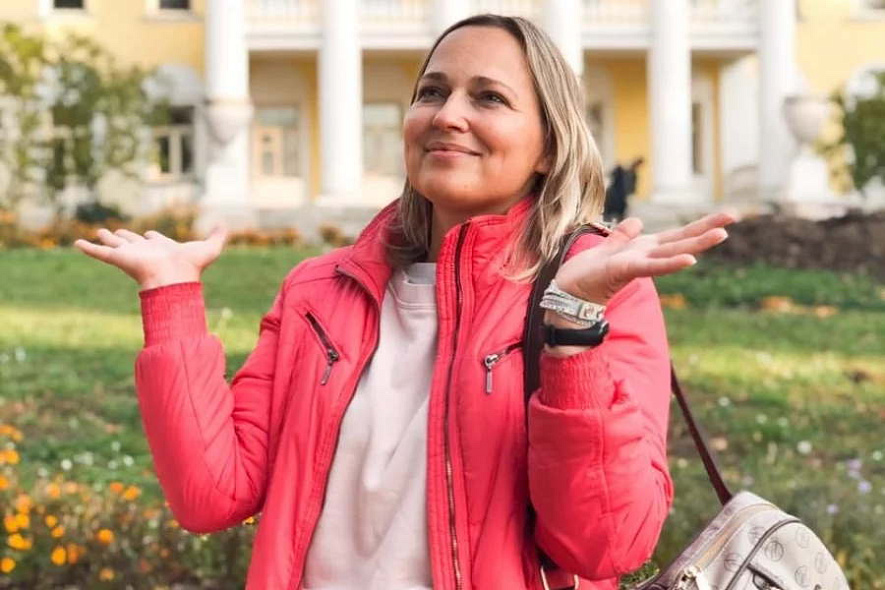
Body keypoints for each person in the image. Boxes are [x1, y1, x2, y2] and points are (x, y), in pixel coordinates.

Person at [74, 14, 734, 590]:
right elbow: (211, 495)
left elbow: (605, 544)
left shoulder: (595, 288)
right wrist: (171, 299)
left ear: (548, 146)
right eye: (431, 92)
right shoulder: (316, 292)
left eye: (489, 97)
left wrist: (572, 327)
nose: (447, 115)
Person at [603, 157, 644, 222]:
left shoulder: (632, 174)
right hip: (614, 197)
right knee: (610, 216)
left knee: (619, 217)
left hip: (620, 199)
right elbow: (610, 175)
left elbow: (631, 188)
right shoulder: (621, 170)